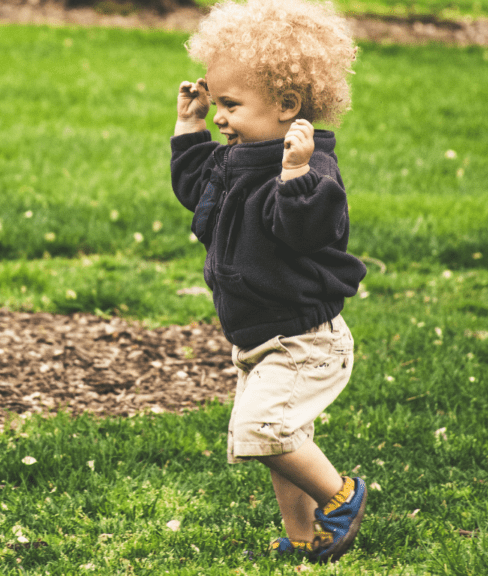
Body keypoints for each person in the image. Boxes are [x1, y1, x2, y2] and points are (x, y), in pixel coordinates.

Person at [169, 0, 368, 563]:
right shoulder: (232, 158)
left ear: (287, 105)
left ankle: (342, 495)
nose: (222, 117)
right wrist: (189, 126)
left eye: (231, 104)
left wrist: (297, 175)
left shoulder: (309, 168)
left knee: (264, 430)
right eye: (218, 102)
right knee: (279, 440)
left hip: (304, 338)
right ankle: (305, 538)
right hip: (258, 335)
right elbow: (194, 190)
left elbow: (309, 232)